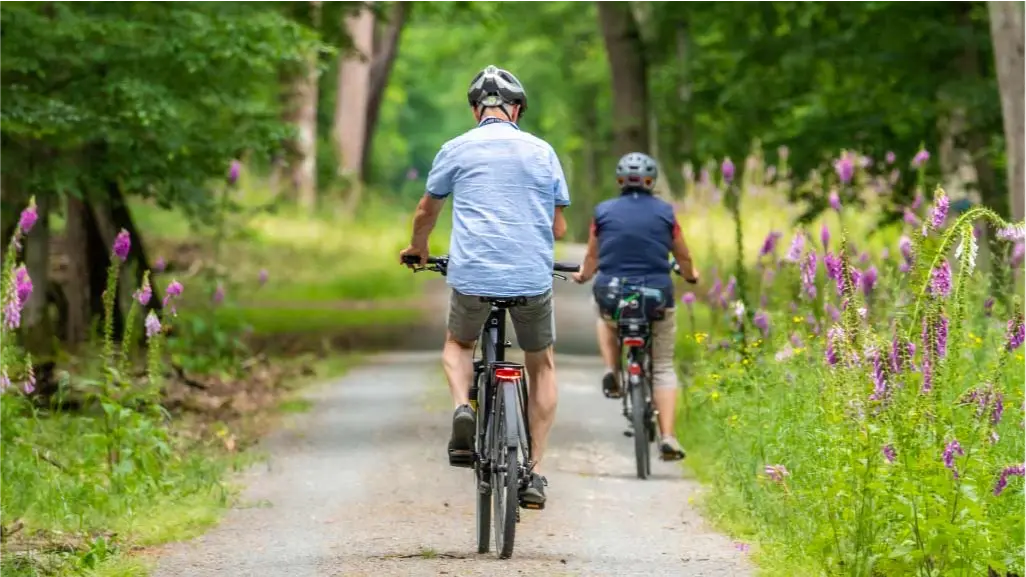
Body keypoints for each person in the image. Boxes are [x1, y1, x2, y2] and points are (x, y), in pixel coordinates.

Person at [399, 65, 570, 507]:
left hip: (473, 274)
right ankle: (535, 473)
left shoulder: (456, 148)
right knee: (542, 363)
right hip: (531, 277)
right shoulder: (542, 151)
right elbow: (559, 225)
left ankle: (462, 407)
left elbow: (425, 211)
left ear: (477, 110)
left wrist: (419, 248)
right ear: (517, 110)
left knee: (458, 344)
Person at [572, 152, 698, 462]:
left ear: (619, 181)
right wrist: (691, 275)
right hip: (656, 296)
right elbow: (682, 257)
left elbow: (592, 257)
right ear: (651, 181)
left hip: (613, 294)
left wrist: (584, 275)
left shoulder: (602, 212)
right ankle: (668, 436)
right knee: (664, 366)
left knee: (604, 317)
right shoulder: (666, 213)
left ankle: (612, 369)